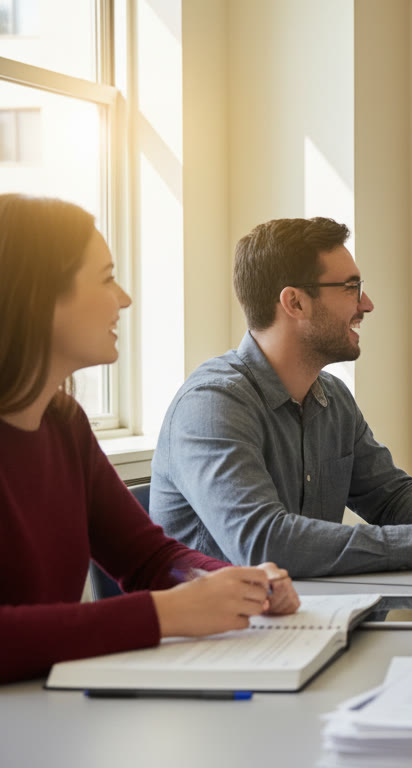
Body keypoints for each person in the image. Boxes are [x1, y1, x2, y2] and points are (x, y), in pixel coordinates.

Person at [0, 195, 299, 683]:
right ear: (38, 296)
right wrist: (164, 614)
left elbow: (150, 558)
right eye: (105, 279)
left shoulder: (65, 425)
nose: (124, 299)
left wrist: (228, 581)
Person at [150, 217, 412, 579]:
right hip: (229, 618)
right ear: (295, 302)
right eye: (351, 287)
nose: (367, 304)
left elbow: (389, 497)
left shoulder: (332, 397)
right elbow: (263, 543)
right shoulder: (212, 405)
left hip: (309, 608)